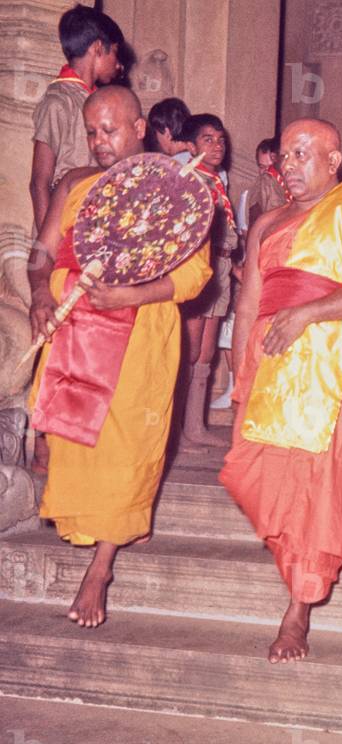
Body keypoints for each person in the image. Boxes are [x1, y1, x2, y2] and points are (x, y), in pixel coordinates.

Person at [220, 118, 342, 663]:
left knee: (317, 480)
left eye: (304, 154)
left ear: (334, 161)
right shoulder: (266, 224)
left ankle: (298, 610)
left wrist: (305, 314)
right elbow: (249, 301)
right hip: (271, 351)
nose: (291, 165)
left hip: (337, 351)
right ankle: (295, 570)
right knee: (251, 472)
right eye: (285, 155)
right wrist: (241, 369)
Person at [26, 86, 212, 628]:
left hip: (140, 327)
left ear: (140, 128)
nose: (99, 142)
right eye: (91, 131)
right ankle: (116, 520)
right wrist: (40, 294)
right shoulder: (74, 182)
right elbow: (42, 253)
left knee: (129, 444)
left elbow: (194, 276)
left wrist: (129, 295)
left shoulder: (177, 186)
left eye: (110, 130)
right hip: (76, 326)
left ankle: (101, 568)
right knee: (77, 444)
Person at [30, 4, 123, 233]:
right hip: (61, 224)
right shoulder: (58, 101)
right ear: (98, 48)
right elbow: (39, 183)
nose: (119, 64)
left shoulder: (96, 101)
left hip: (92, 223)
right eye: (116, 53)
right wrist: (48, 246)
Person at [178, 114, 237, 447]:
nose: (217, 146)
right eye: (207, 140)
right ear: (190, 146)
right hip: (200, 270)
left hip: (222, 270)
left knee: (207, 353)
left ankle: (195, 425)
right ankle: (175, 432)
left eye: (220, 140)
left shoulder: (218, 180)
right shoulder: (190, 179)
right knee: (190, 349)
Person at [248, 137, 292, 226]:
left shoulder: (289, 183)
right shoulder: (264, 182)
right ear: (274, 157)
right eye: (262, 167)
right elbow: (255, 223)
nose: (267, 171)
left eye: (270, 166)